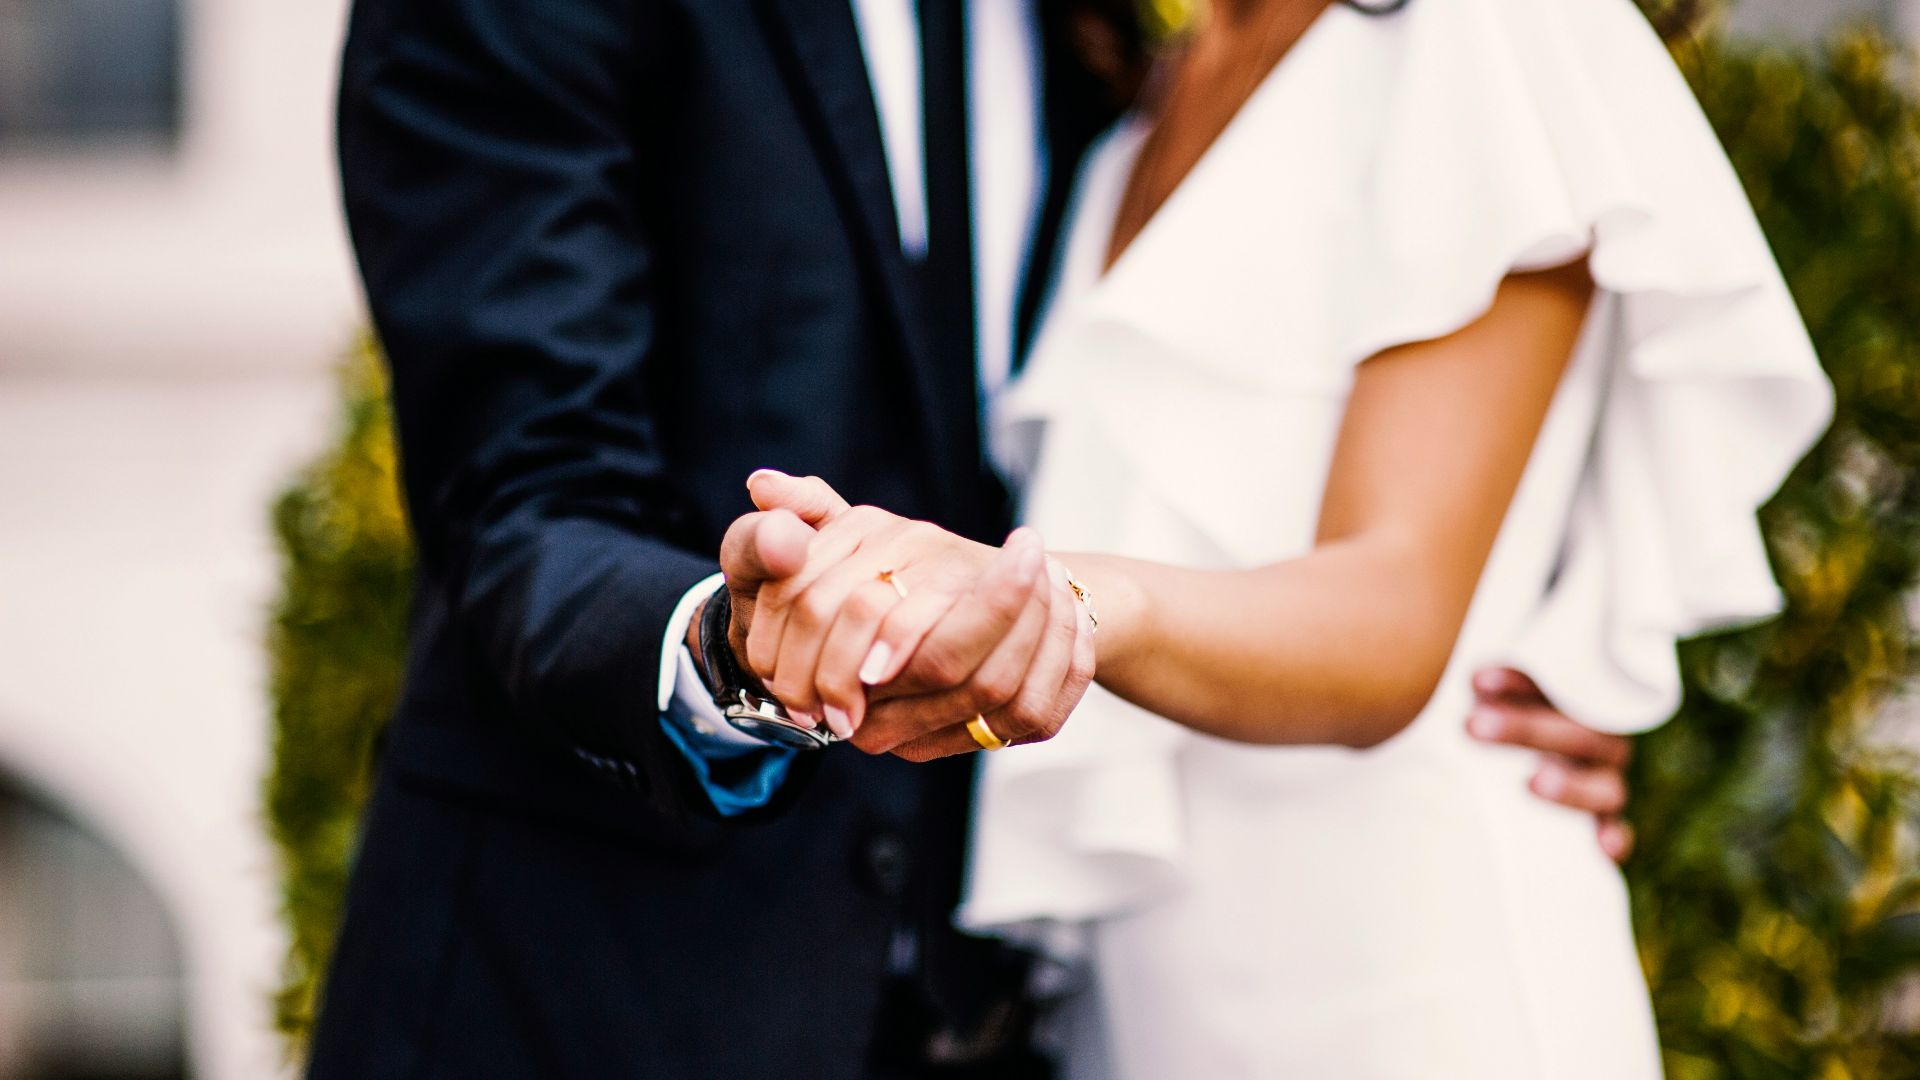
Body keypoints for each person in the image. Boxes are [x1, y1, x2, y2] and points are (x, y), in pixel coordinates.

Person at [310, 0, 1641, 1075]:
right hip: (624, 998)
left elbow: (1404, 588)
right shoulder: (1156, 72)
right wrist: (736, 645)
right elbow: (529, 492)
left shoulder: (1464, 37)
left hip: (1363, 965)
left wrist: (1533, 663)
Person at [730, 0, 1834, 1077]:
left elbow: (1391, 612)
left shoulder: (1489, 31)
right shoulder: (1148, 96)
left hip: (1409, 979)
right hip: (1157, 1006)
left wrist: (1061, 605)